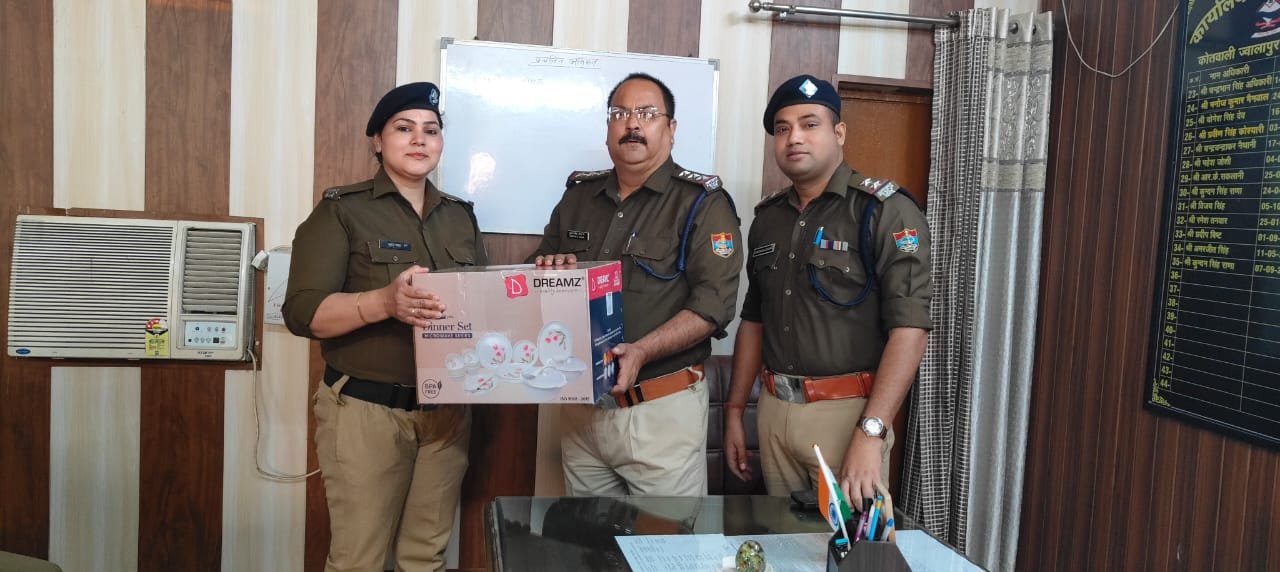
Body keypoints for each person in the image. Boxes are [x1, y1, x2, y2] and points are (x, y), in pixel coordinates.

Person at [282, 81, 485, 572]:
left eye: (431, 130)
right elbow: (302, 312)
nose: (419, 139)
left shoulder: (459, 217)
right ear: (377, 140)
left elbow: (479, 305)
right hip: (367, 412)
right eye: (403, 128)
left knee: (424, 557)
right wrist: (384, 302)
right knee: (359, 560)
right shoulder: (341, 210)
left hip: (446, 415)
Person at [529, 72, 742, 496]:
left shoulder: (702, 203)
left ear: (671, 129)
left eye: (647, 113)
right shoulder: (578, 196)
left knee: (665, 539)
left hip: (659, 411)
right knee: (587, 536)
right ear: (608, 127)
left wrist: (643, 351)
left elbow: (714, 305)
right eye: (620, 113)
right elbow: (533, 276)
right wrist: (546, 272)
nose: (632, 124)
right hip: (580, 412)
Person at [723, 74, 932, 505]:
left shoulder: (883, 210)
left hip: (847, 416)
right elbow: (754, 321)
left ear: (839, 133)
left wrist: (871, 432)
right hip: (774, 412)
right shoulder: (768, 218)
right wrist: (734, 411)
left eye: (809, 124)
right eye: (782, 128)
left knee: (851, 541)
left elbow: (910, 330)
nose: (794, 137)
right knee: (784, 539)